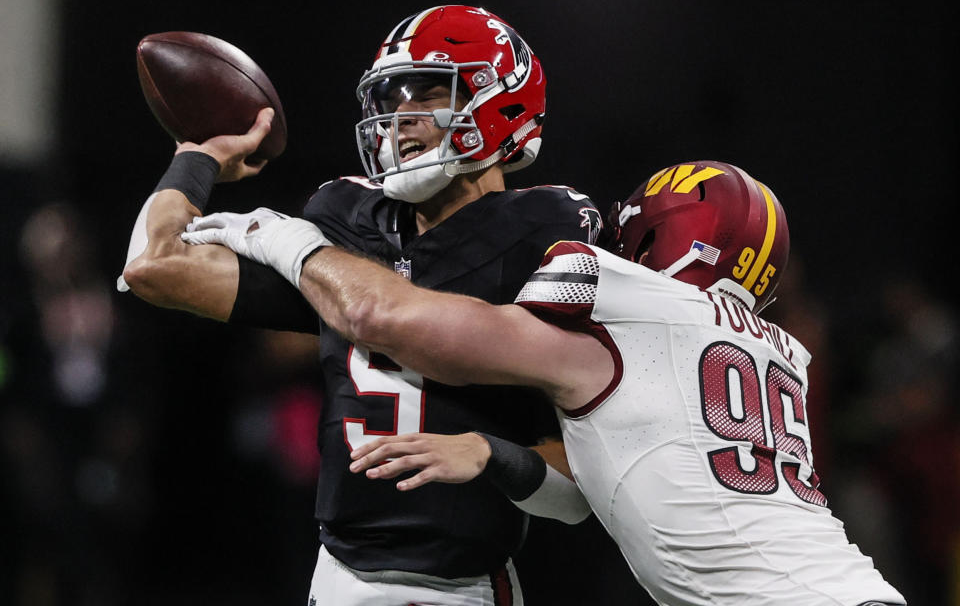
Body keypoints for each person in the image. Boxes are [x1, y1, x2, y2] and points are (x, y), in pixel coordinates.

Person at [181, 159, 907, 605]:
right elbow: (584, 492)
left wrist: (280, 235)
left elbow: (391, 315)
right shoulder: (779, 351)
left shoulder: (623, 300)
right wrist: (491, 451)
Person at [121, 5, 611, 605]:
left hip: (462, 588)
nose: (397, 122)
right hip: (337, 577)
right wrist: (196, 156)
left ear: (498, 101)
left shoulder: (550, 232)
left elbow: (579, 495)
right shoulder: (347, 218)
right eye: (389, 102)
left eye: (428, 96)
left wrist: (490, 456)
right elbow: (152, 264)